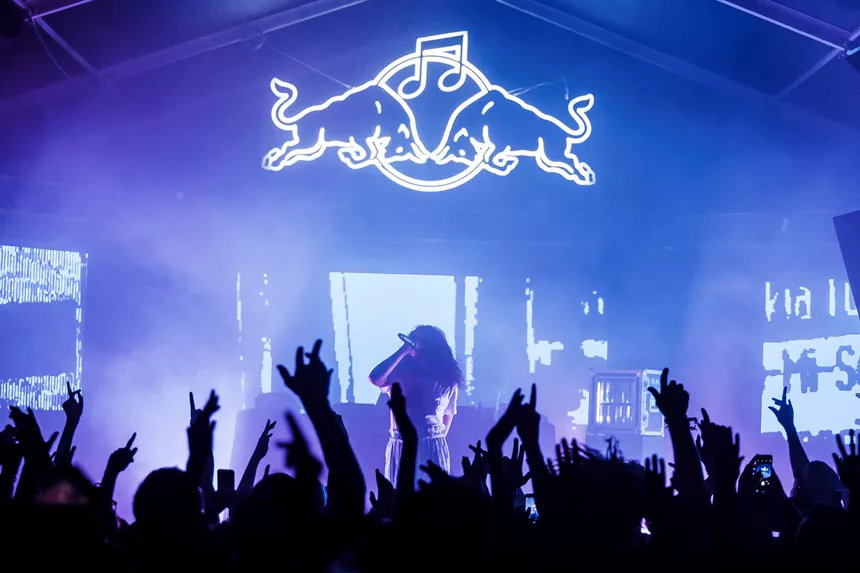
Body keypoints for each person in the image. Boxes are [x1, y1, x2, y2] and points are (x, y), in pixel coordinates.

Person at [368, 325, 462, 484]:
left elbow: (447, 417)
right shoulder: (399, 373)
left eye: (420, 339)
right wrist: (402, 352)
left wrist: (429, 443)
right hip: (401, 443)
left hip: (431, 443)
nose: (415, 343)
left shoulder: (447, 380)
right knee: (399, 492)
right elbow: (375, 378)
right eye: (414, 338)